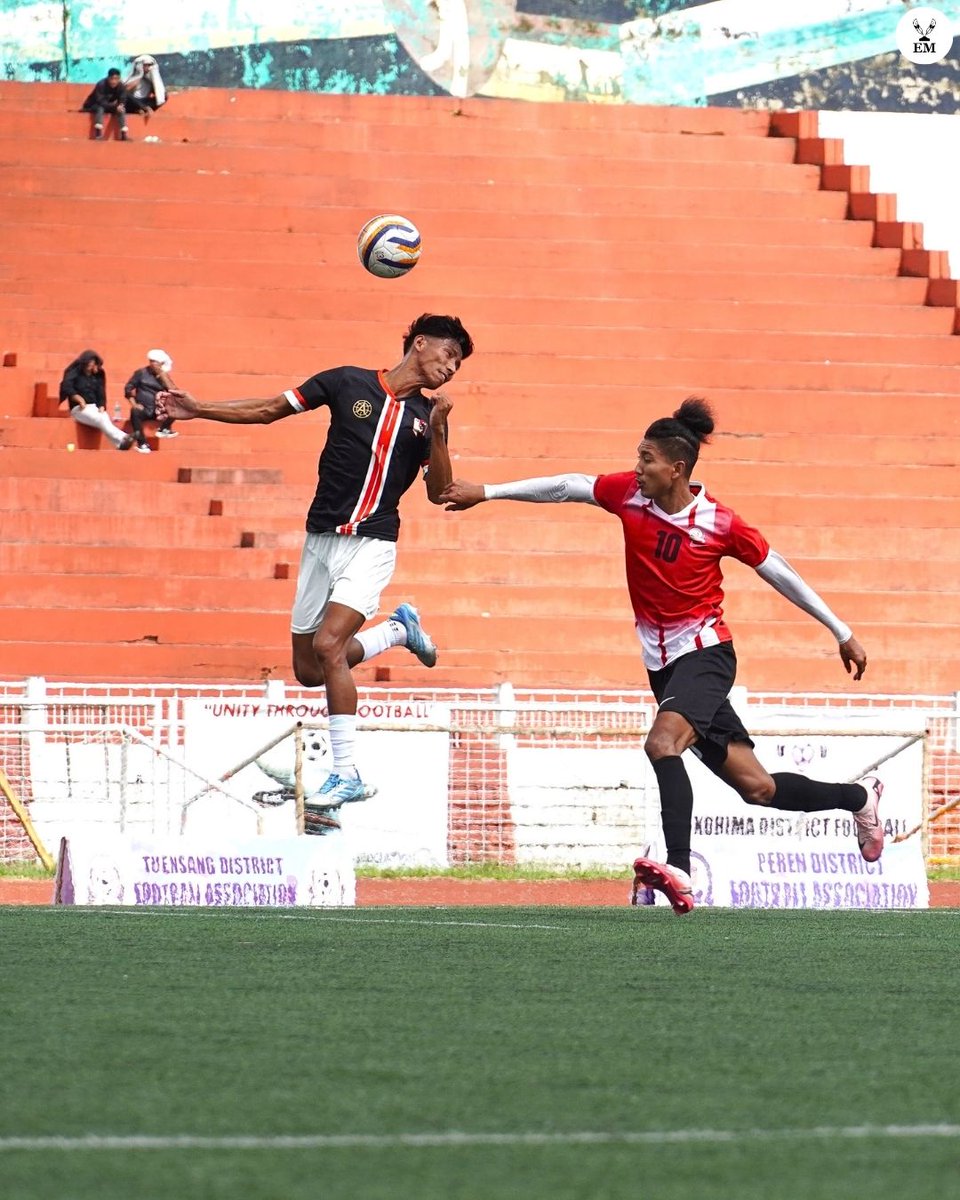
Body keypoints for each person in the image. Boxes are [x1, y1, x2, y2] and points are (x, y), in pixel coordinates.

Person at [440, 396, 884, 915]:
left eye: (646, 458)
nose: (637, 467)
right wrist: (487, 492)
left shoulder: (719, 522)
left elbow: (777, 569)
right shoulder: (628, 495)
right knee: (758, 787)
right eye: (637, 455)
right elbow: (570, 485)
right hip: (664, 667)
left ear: (676, 468)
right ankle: (861, 800)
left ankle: (679, 869)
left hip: (706, 655)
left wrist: (841, 630)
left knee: (662, 741)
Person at [161, 313, 475, 818]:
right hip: (319, 541)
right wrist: (198, 409)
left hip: (371, 543)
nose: (452, 367)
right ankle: (396, 632)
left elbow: (439, 493)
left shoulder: (424, 417)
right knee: (309, 670)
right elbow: (267, 409)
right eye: (448, 354)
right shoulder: (345, 381)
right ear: (419, 344)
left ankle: (347, 773)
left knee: (329, 645)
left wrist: (439, 432)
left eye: (458, 363)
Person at [59, 349, 134, 451]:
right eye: (89, 363)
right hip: (79, 409)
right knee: (100, 419)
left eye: (93, 363)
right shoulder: (75, 372)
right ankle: (123, 437)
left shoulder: (98, 374)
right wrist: (78, 398)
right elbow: (67, 386)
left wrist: (102, 405)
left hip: (94, 407)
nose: (91, 365)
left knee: (103, 417)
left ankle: (120, 444)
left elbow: (101, 392)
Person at [125, 349, 177, 453]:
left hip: (158, 409)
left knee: (176, 406)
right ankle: (142, 443)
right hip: (144, 408)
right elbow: (128, 389)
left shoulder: (164, 376)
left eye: (155, 362)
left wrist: (162, 375)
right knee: (134, 412)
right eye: (151, 361)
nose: (153, 364)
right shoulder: (141, 373)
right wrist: (134, 404)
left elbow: (173, 391)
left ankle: (164, 429)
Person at [81, 69, 131, 141]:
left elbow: (123, 98)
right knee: (100, 108)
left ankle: (124, 134)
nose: (114, 81)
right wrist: (114, 106)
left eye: (116, 79)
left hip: (109, 105)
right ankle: (98, 134)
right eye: (112, 79)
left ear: (119, 79)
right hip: (94, 104)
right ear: (108, 78)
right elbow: (100, 101)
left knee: (121, 109)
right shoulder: (101, 84)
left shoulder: (121, 86)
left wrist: (120, 105)